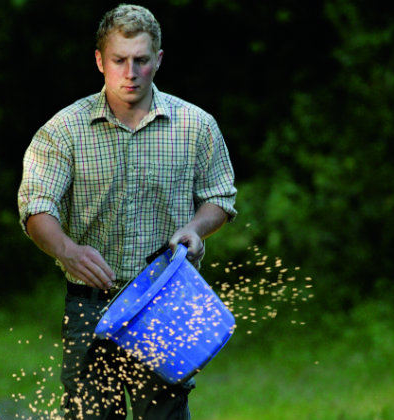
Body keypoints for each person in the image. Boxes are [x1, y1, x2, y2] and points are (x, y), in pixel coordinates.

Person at [18, 4, 237, 419]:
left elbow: (220, 198)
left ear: (158, 60)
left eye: (141, 60)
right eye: (119, 60)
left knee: (166, 415)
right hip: (91, 305)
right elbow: (36, 207)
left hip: (166, 302)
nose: (130, 72)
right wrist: (67, 249)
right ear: (100, 61)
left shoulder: (196, 126)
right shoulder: (63, 130)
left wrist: (195, 228)